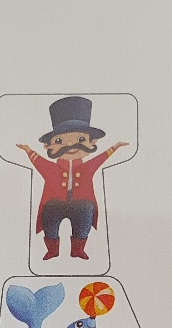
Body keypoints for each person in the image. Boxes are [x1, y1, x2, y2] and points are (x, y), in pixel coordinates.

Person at [15, 96, 129, 259]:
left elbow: (101, 158)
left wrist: (115, 147)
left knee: (84, 217)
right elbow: (38, 161)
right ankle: (52, 250)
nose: (69, 145)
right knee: (50, 221)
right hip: (54, 203)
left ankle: (78, 249)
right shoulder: (51, 168)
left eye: (80, 139)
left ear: (92, 143)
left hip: (81, 203)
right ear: (48, 146)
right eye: (60, 141)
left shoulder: (87, 167)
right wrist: (28, 150)